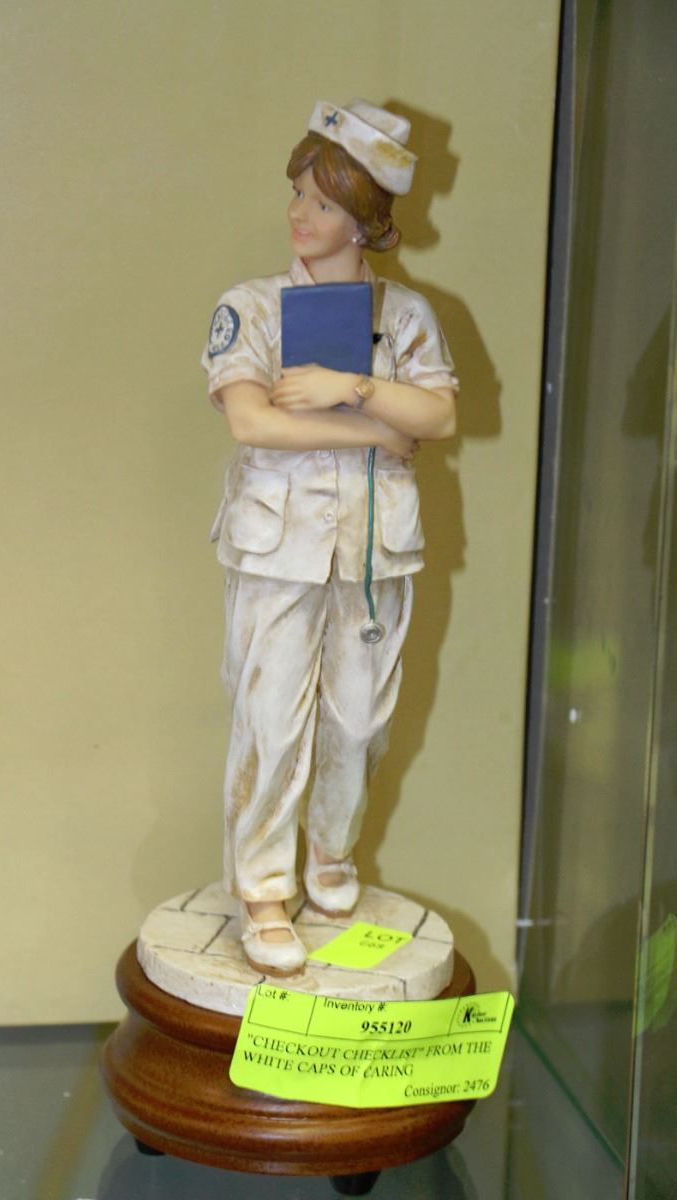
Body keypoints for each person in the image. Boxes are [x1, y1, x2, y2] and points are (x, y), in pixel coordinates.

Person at [201, 100, 458, 976]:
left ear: (363, 219)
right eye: (297, 196)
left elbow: (438, 413)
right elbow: (252, 423)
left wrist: (353, 388)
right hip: (276, 548)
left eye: (320, 202)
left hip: (373, 548)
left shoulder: (406, 315)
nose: (299, 215)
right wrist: (378, 430)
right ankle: (263, 890)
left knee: (360, 719)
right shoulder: (251, 307)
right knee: (271, 719)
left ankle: (332, 855)